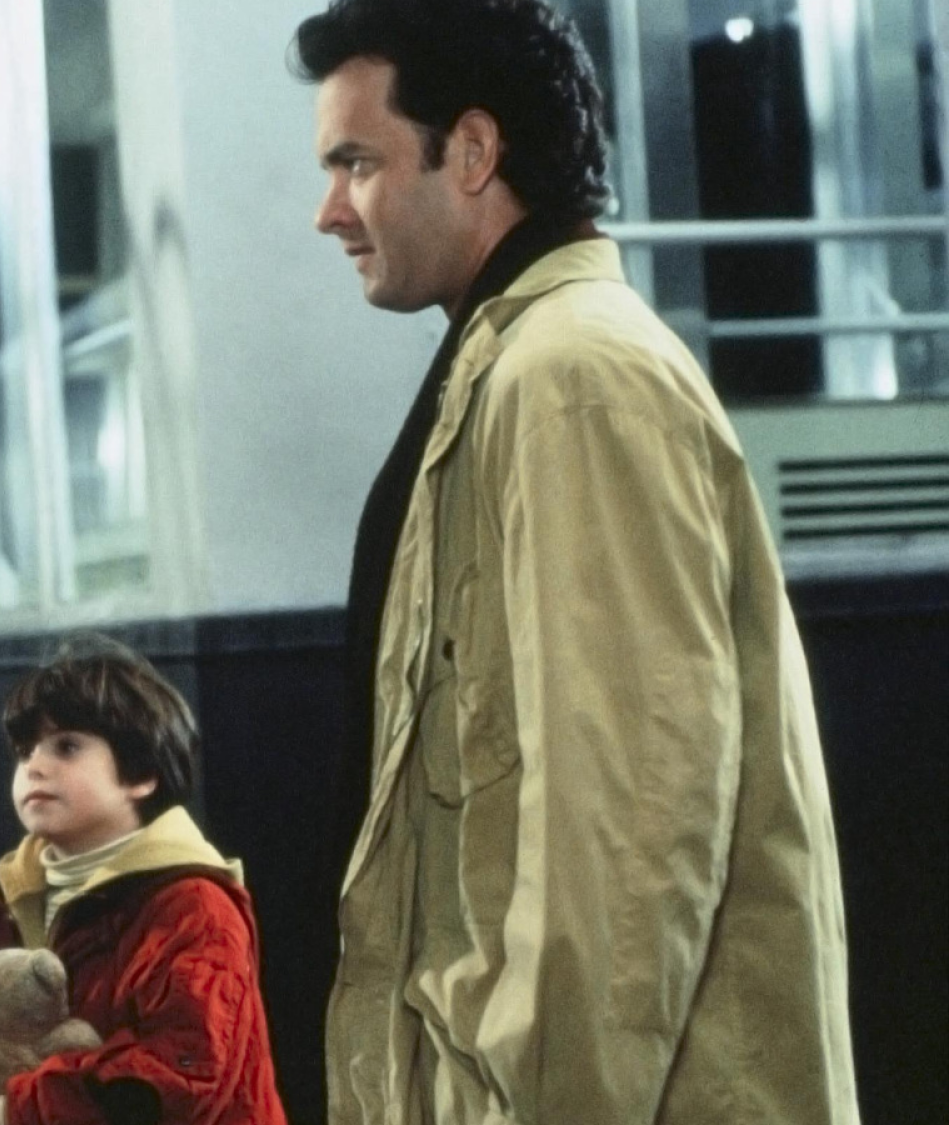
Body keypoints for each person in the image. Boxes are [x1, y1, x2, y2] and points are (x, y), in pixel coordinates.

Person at [291, 1, 858, 1122]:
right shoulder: (508, 370)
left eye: (355, 162)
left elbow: (622, 852)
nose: (328, 212)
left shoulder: (571, 383)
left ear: (471, 150)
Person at [0, 635, 288, 1125]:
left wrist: (15, 1110)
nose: (34, 765)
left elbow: (178, 1073)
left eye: (67, 746)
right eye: (24, 749)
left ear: (141, 772)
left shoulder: (193, 909)